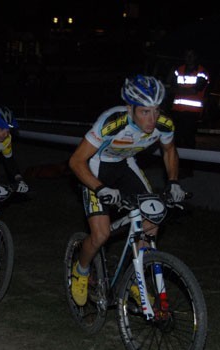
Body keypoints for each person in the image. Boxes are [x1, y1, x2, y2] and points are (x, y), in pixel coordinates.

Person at [68, 75, 186, 306]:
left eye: (156, 111)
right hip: (96, 166)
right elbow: (76, 161)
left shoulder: (164, 123)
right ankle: (81, 271)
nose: (152, 119)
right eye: (144, 112)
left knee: (152, 220)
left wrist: (173, 182)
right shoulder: (112, 121)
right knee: (101, 235)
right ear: (130, 108)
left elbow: (169, 150)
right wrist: (100, 188)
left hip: (125, 165)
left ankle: (134, 276)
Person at [168, 49, 209, 177]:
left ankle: (188, 168)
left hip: (192, 112)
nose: (189, 58)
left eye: (192, 55)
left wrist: (179, 90)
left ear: (196, 57)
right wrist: (185, 90)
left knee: (189, 140)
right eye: (187, 55)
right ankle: (177, 167)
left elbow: (195, 90)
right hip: (177, 111)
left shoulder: (202, 72)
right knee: (177, 140)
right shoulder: (178, 70)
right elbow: (171, 86)